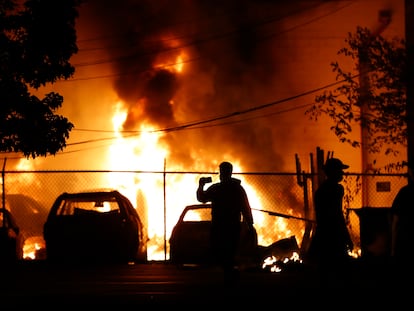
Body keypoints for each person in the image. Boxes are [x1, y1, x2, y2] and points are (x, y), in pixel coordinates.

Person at [196, 161, 255, 284]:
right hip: (232, 226)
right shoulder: (237, 189)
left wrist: (201, 185)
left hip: (220, 226)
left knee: (222, 252)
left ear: (222, 173)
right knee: (228, 252)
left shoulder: (217, 189)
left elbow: (202, 198)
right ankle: (229, 274)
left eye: (221, 171)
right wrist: (249, 224)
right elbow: (245, 207)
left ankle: (228, 275)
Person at [306, 157, 354, 284]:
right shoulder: (337, 190)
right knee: (339, 271)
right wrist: (346, 237)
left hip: (323, 233)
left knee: (324, 269)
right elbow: (337, 214)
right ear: (333, 172)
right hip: (334, 235)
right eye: (339, 170)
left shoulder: (321, 191)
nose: (342, 173)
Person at [390, 160, 414, 274]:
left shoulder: (405, 193)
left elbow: (396, 221)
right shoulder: (404, 192)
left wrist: (393, 249)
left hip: (405, 242)